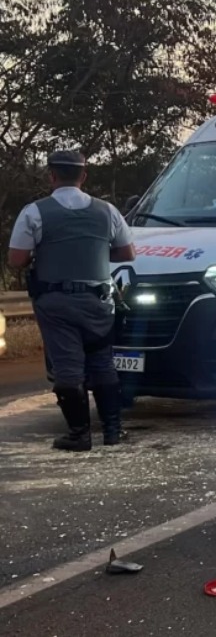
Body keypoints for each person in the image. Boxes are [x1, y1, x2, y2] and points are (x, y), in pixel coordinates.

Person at [7, 150, 137, 451]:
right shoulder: (107, 211)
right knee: (103, 363)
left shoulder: (35, 212)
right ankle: (112, 430)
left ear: (51, 175)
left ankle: (79, 434)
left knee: (68, 366)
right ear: (84, 176)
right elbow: (127, 253)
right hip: (100, 300)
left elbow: (16, 259)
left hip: (56, 301)